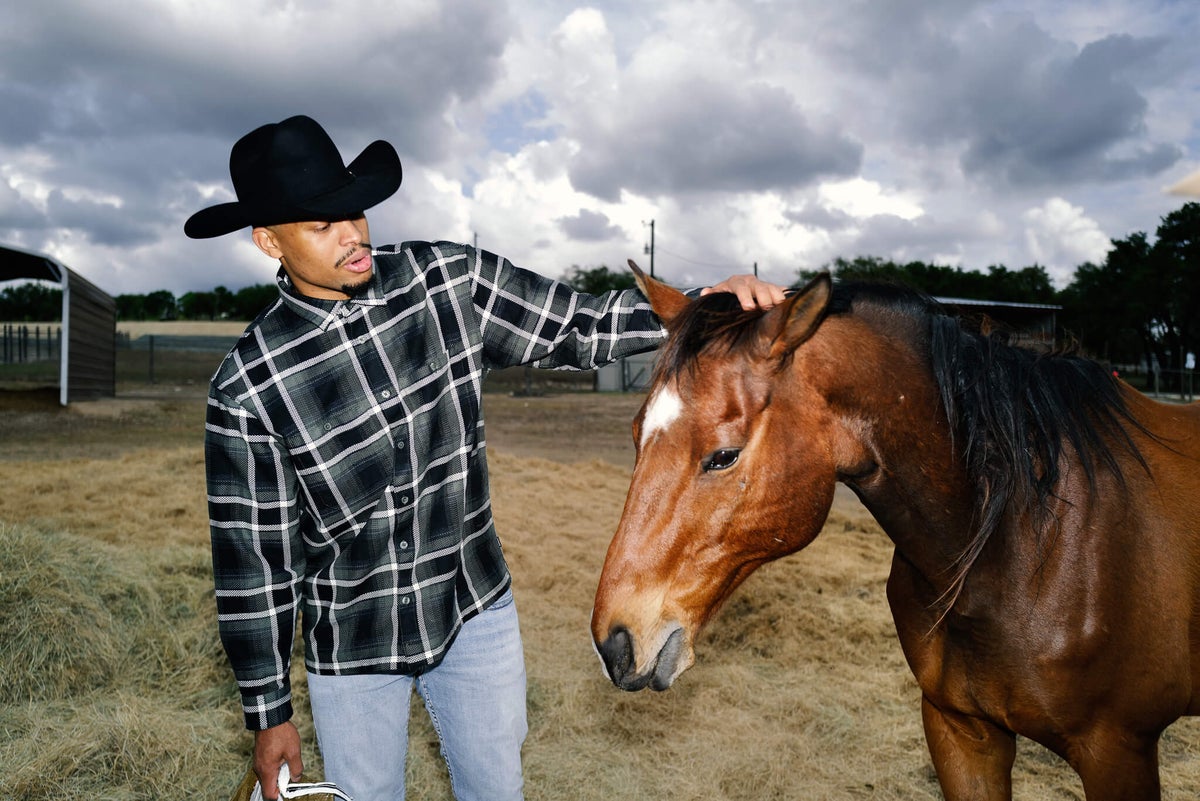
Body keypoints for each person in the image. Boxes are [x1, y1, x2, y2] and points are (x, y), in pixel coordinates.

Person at [185, 114, 786, 801]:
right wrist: (269, 715)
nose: (352, 234)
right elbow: (255, 566)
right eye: (320, 225)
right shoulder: (247, 386)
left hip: (475, 613)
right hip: (353, 647)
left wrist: (708, 305)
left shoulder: (447, 282)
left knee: (497, 790)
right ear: (268, 241)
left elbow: (576, 322)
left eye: (351, 210)